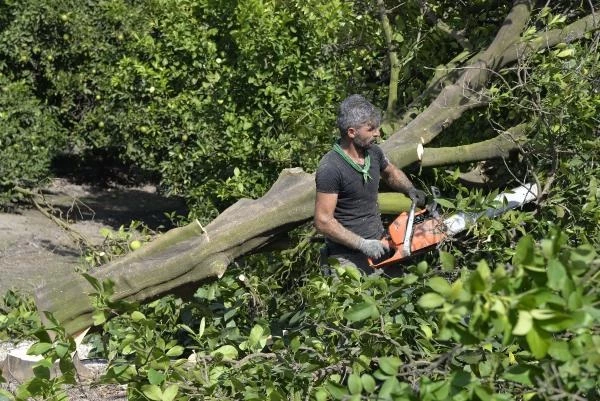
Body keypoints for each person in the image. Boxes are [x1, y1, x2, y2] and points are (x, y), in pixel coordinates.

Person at [314, 94, 426, 273]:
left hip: (380, 246)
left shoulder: (373, 153)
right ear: (352, 132)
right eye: (371, 129)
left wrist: (409, 189)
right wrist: (362, 244)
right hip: (345, 258)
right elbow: (323, 221)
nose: (377, 133)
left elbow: (390, 172)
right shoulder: (331, 167)